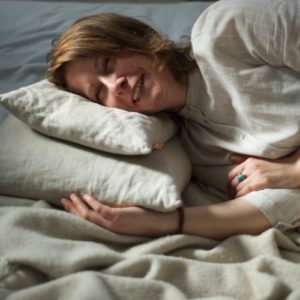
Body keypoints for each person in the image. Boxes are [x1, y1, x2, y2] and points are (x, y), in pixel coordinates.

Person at [46, 0, 300, 240]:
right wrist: (157, 222)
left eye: (107, 63)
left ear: (134, 39)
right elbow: (278, 204)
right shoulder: (198, 152)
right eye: (99, 93)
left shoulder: (226, 30)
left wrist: (293, 168)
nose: (115, 84)